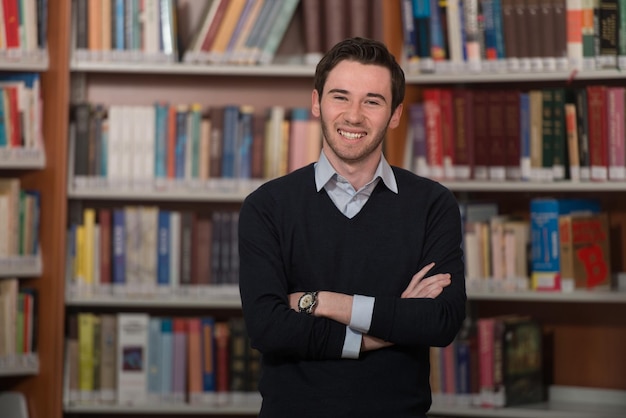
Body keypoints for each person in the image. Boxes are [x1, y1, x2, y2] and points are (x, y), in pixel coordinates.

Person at [238, 37, 466, 417]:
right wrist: (392, 324)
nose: (354, 115)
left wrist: (326, 302)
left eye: (372, 101)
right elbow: (268, 329)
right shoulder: (267, 207)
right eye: (340, 97)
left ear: (394, 114)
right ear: (316, 103)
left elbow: (439, 322)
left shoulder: (432, 204)